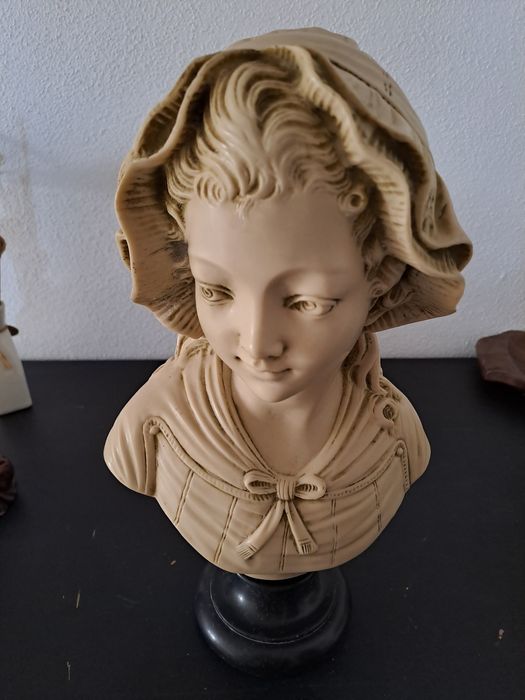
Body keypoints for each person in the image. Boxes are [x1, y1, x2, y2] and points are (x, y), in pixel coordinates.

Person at [105, 28, 472, 579]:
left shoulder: (394, 436)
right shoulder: (154, 423)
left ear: (381, 277)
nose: (256, 344)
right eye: (216, 291)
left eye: (306, 302)